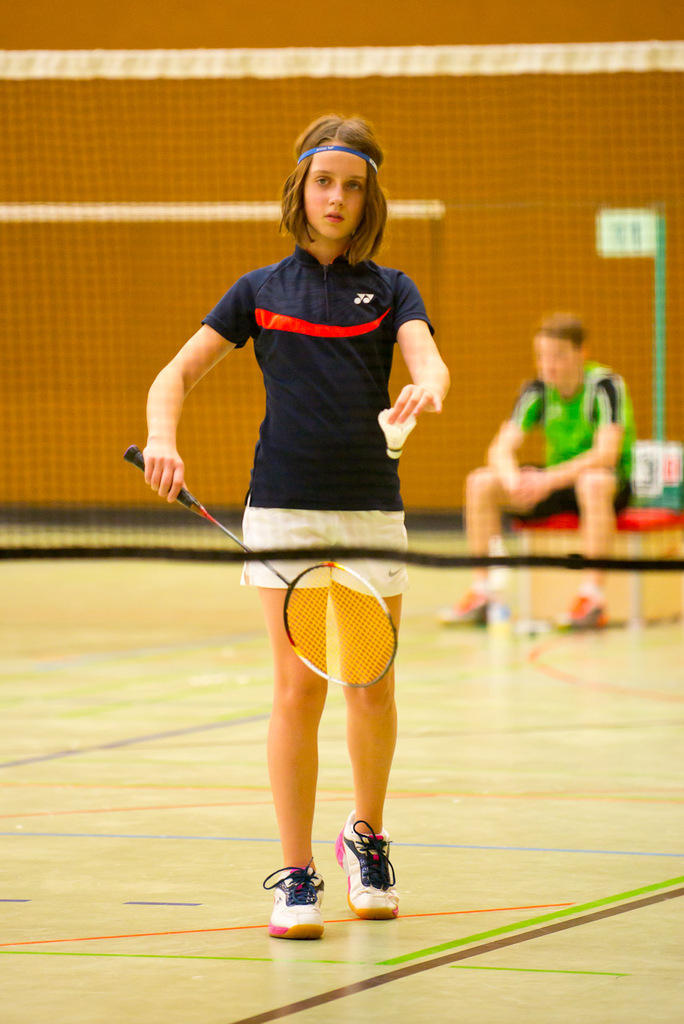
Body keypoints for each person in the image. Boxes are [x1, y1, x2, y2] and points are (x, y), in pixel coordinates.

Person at [142, 114, 450, 940]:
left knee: (372, 684)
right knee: (299, 688)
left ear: (368, 199)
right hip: (282, 508)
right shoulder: (259, 291)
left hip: (369, 510)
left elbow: (427, 357)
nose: (336, 198)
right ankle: (297, 872)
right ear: (301, 188)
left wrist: (428, 386)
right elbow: (174, 375)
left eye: (352, 186)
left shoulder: (393, 290)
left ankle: (366, 840)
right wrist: (164, 439)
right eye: (324, 182)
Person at [439, 313, 635, 630]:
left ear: (581, 353)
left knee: (593, 483)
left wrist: (547, 480)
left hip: (607, 484)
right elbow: (499, 449)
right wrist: (513, 482)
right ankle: (483, 593)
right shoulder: (537, 390)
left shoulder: (605, 386)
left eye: (558, 356)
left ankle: (592, 598)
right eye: (542, 356)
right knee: (480, 482)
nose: (548, 365)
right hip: (556, 482)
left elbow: (605, 455)